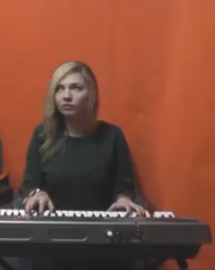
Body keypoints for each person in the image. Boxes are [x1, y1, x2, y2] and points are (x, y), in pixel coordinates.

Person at [19, 61, 145, 270]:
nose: (66, 96)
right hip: (53, 242)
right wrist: (36, 194)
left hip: (102, 244)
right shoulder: (41, 136)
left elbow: (124, 187)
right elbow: (29, 185)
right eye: (60, 89)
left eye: (76, 88)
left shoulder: (112, 136)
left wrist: (124, 199)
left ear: (91, 94)